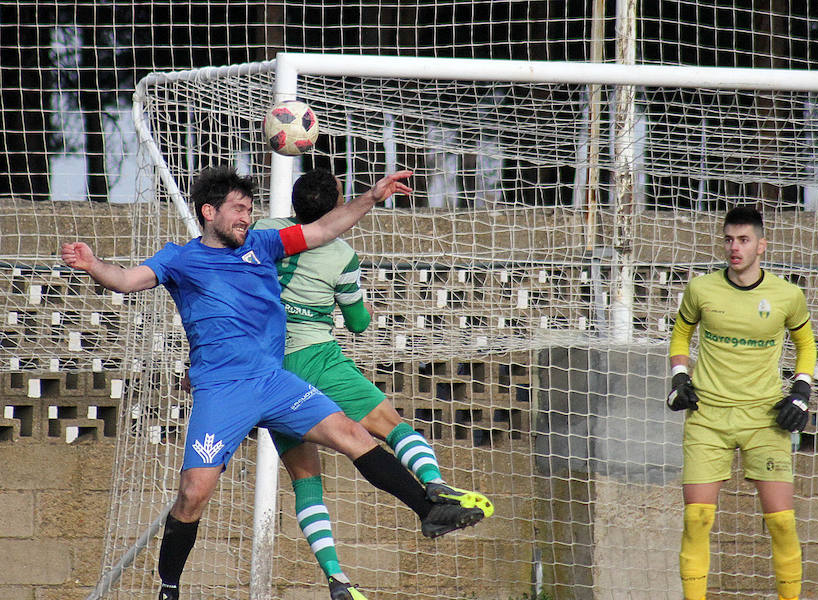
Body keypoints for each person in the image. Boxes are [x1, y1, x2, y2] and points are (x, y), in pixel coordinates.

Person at [61, 165, 485, 600]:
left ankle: (429, 511)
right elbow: (128, 280)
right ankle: (169, 588)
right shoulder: (179, 258)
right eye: (239, 210)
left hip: (275, 382)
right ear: (209, 212)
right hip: (223, 392)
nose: (248, 217)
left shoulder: (263, 244)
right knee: (193, 494)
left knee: (353, 433)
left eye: (250, 209)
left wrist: (371, 198)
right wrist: (93, 263)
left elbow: (321, 230)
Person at [251, 168, 494, 600]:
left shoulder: (262, 230)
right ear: (337, 207)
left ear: (294, 201)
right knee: (390, 423)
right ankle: (434, 483)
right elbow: (359, 323)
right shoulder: (339, 253)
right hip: (316, 358)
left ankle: (336, 578)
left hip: (270, 372)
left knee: (306, 479)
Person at [666, 206, 816, 600]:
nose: (735, 247)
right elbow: (680, 335)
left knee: (782, 523)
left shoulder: (787, 295)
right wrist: (680, 379)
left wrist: (801, 392)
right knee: (696, 519)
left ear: (761, 245)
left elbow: (806, 344)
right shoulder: (701, 289)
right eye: (729, 239)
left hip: (765, 420)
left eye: (744, 239)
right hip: (708, 418)